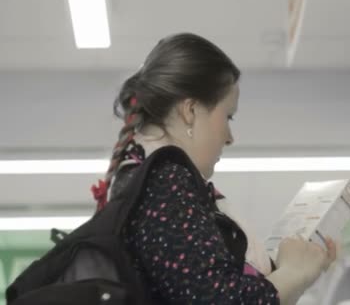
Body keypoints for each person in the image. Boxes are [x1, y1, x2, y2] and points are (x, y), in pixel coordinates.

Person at [90, 33, 337, 304]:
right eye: (227, 116)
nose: (230, 136)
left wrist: (300, 270)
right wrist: (293, 273)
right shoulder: (165, 181)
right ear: (191, 111)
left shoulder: (143, 177)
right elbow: (218, 300)